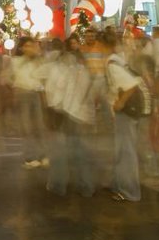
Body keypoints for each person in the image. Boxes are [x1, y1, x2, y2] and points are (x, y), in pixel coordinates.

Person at [45, 38, 98, 197]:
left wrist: (53, 109)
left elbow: (52, 93)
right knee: (79, 150)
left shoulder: (57, 70)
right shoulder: (83, 71)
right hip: (80, 115)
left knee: (59, 151)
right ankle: (86, 186)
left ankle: (58, 185)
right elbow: (89, 94)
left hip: (64, 114)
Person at [97, 31, 142, 202]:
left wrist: (120, 103)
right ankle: (118, 184)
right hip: (126, 112)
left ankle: (130, 191)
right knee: (121, 149)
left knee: (126, 151)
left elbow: (130, 85)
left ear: (102, 45)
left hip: (125, 112)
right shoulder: (117, 59)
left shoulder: (112, 64)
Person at [11, 36, 49, 169]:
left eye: (31, 46)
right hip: (23, 94)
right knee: (26, 127)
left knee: (39, 126)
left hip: (36, 93)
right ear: (21, 48)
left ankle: (43, 156)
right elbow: (14, 76)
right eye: (26, 46)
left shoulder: (38, 61)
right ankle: (30, 157)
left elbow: (43, 77)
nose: (29, 48)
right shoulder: (16, 61)